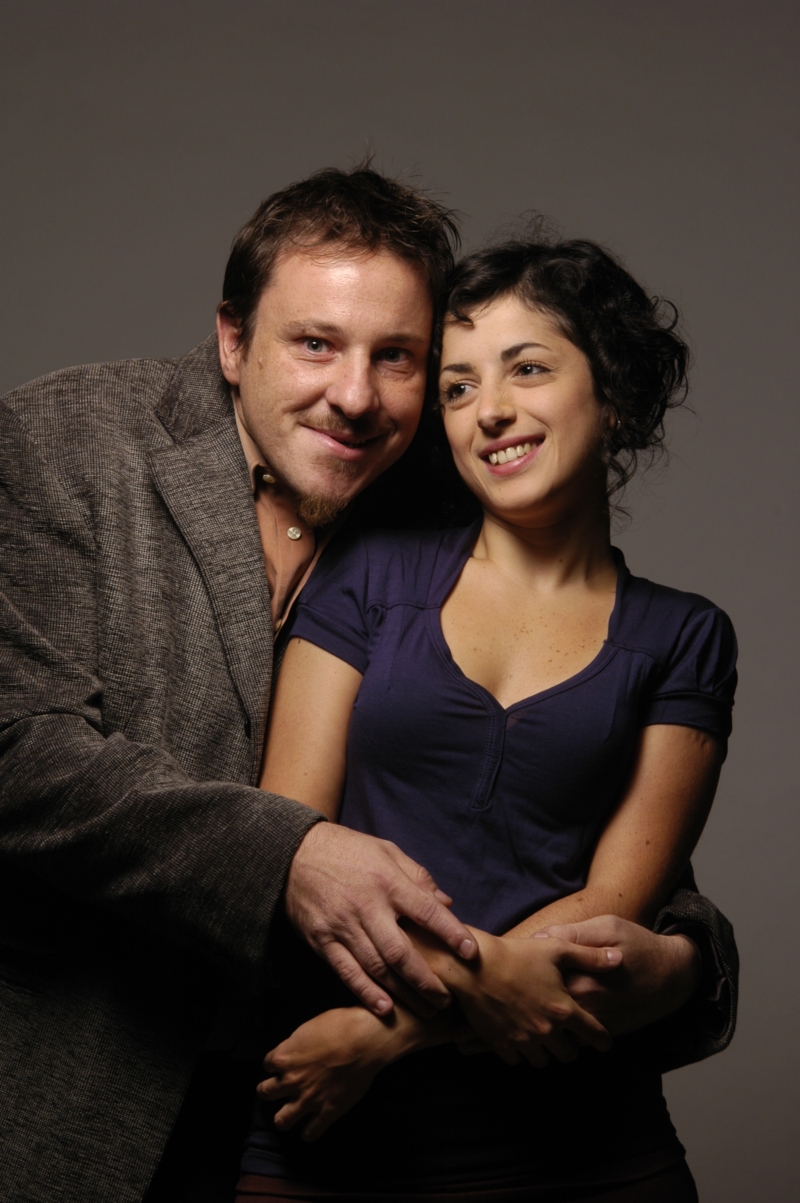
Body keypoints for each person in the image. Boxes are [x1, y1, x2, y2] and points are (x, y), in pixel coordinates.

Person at [0, 167, 734, 1203]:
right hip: (102, 1076)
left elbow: (575, 816)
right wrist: (289, 852)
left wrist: (688, 959)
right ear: (231, 339)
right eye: (315, 343)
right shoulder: (61, 442)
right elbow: (19, 751)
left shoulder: (449, 483)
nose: (354, 395)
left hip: (387, 1087)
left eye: (396, 357)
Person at [234, 233, 738, 1201]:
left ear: (613, 393)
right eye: (457, 387)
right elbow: (288, 847)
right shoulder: (367, 575)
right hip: (325, 1125)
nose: (489, 409)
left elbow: (611, 909)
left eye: (527, 369)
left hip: (586, 1142)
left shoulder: (684, 637)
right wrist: (477, 984)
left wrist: (388, 1034)